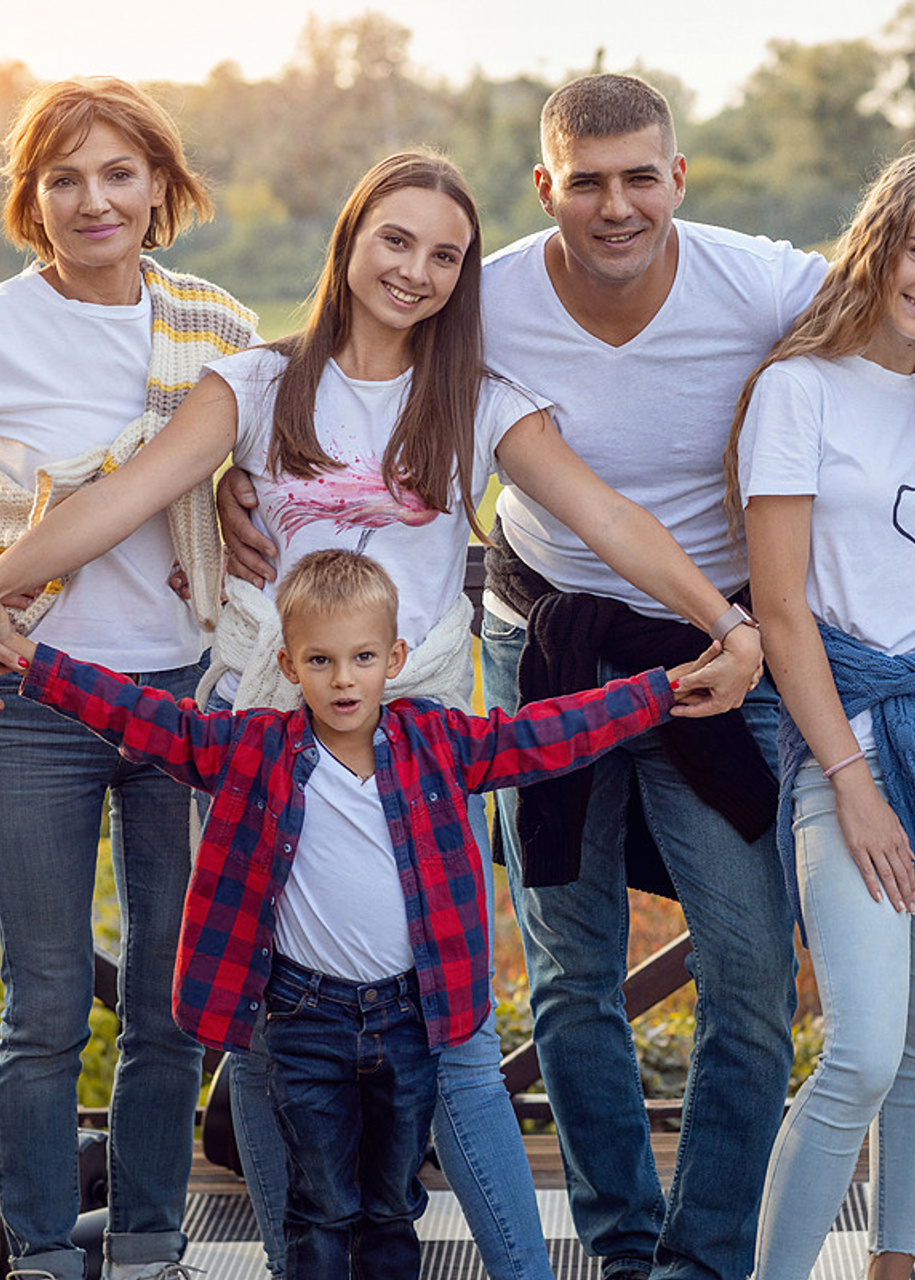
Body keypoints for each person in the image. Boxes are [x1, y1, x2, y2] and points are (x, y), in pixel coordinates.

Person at [0, 145, 761, 1280]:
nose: (415, 270)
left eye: (445, 255)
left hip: (410, 748)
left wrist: (724, 621)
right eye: (394, 241)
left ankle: (520, 1267)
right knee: (256, 1039)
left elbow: (607, 517)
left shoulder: (476, 404)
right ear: (350, 241)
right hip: (267, 738)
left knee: (452, 1037)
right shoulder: (257, 384)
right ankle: (294, 1258)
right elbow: (127, 495)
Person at [218, 72, 826, 1280]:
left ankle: (702, 1257)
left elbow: (912, 307)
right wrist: (224, 476)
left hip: (721, 649)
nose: (615, 206)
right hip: (545, 642)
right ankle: (617, 1241)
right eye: (585, 182)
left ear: (677, 178)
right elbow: (324, 378)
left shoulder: (756, 278)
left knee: (752, 969)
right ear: (544, 187)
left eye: (638, 177)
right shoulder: (473, 302)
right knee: (568, 965)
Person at [0, 547, 724, 1280]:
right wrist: (32, 662)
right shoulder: (252, 749)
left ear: (395, 658)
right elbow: (142, 715)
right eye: (320, 661)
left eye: (362, 658)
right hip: (303, 1021)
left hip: (407, 1023)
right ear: (288, 667)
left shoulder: (437, 744)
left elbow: (546, 732)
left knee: (390, 1207)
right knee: (318, 1204)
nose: (343, 679)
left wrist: (660, 692)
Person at [726, 146, 915, 1280]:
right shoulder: (797, 389)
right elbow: (784, 610)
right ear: (879, 243)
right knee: (858, 1046)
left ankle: (896, 1259)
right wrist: (847, 779)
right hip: (852, 750)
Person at [0, 78, 258, 1280]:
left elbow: (258, 469)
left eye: (116, 173)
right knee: (44, 1002)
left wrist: (243, 506)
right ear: (32, 199)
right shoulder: (6, 329)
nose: (91, 199)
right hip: (33, 700)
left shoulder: (215, 326)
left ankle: (152, 1234)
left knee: (168, 997)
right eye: (63, 177)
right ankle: (43, 1245)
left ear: (160, 184)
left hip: (180, 695)